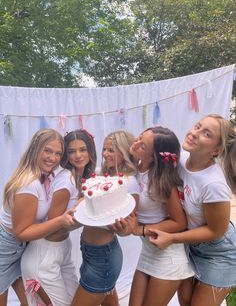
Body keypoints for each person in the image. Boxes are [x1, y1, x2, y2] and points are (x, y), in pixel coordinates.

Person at [148, 114, 236, 306]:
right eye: (197, 126)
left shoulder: (213, 184)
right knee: (185, 302)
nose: (195, 133)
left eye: (206, 134)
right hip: (190, 242)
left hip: (218, 251)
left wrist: (171, 238)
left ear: (216, 150)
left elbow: (216, 230)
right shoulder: (180, 160)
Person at [113, 126, 194, 306]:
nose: (136, 143)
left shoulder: (161, 181)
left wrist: (140, 229)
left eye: (143, 146)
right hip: (148, 253)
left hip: (168, 257)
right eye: (139, 138)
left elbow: (179, 222)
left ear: (154, 157)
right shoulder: (135, 167)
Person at [0, 128, 75, 306]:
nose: (53, 158)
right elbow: (21, 232)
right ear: (36, 148)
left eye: (58, 153)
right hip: (6, 248)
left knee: (31, 301)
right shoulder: (29, 183)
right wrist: (60, 220)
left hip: (19, 248)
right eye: (47, 150)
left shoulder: (44, 176)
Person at [21, 129, 96, 305]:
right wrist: (84, 214)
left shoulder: (81, 177)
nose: (78, 155)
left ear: (90, 151)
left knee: (74, 301)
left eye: (83, 149)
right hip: (44, 253)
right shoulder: (66, 180)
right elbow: (53, 225)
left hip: (62, 249)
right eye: (71, 151)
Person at [71, 130, 140, 306]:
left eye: (111, 150)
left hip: (104, 257)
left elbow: (129, 228)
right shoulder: (100, 173)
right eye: (104, 149)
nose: (105, 154)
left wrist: (122, 228)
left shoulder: (128, 182)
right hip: (89, 252)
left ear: (124, 153)